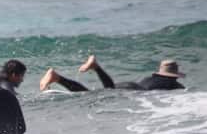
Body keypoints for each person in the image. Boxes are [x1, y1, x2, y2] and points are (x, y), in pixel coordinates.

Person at [39, 56, 186, 92]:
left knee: (102, 90)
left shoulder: (152, 77)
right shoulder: (176, 86)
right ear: (175, 76)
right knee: (88, 94)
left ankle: (57, 78)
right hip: (134, 91)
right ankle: (57, 78)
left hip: (129, 85)